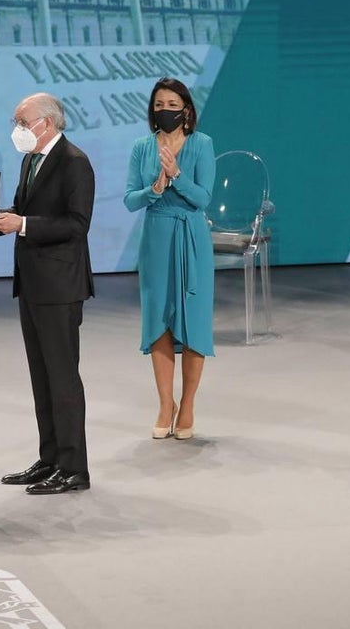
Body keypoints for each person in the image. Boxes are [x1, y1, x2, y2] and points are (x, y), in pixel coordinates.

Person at [0, 93, 95, 495]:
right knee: (41, 376)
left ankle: (73, 467)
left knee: (63, 378)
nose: (17, 129)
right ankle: (50, 459)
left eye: (21, 121)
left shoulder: (75, 162)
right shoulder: (32, 159)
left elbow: (76, 224)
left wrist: (23, 224)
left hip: (60, 286)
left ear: (46, 123)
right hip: (31, 283)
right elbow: (22, 209)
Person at [123, 77, 216, 440]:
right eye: (159, 105)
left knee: (192, 320)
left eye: (172, 105)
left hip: (191, 236)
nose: (165, 110)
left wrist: (176, 175)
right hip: (157, 236)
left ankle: (188, 403)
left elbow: (203, 198)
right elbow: (130, 199)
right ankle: (166, 404)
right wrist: (154, 189)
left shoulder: (202, 144)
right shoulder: (141, 147)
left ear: (186, 111)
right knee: (159, 319)